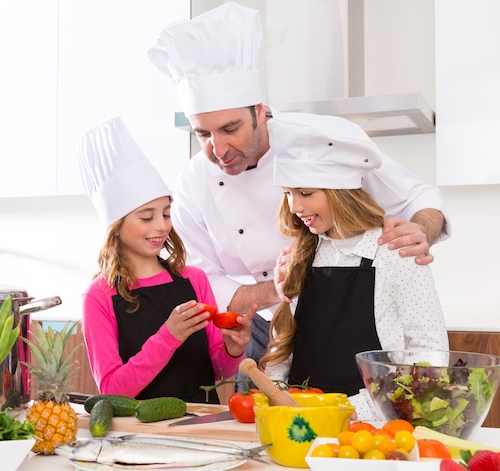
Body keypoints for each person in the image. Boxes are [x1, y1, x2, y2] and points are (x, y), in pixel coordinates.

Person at [147, 2, 450, 387]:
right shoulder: (193, 181)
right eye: (203, 135)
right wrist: (279, 288)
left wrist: (419, 230)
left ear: (260, 112)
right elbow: (200, 279)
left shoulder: (320, 141)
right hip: (259, 331)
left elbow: (420, 198)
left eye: (230, 128)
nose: (219, 149)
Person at [258, 113, 449, 401]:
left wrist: (351, 410)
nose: (295, 206)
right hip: (301, 424)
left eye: (306, 193)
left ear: (342, 192)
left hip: (375, 428)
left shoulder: (395, 251)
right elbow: (284, 353)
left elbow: (428, 356)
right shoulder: (300, 256)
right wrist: (276, 396)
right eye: (287, 193)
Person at [78, 117, 255, 403]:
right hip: (138, 435)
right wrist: (169, 335)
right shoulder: (99, 295)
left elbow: (219, 371)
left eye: (165, 213)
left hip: (201, 426)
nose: (161, 226)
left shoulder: (193, 279)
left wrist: (233, 349)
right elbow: (112, 391)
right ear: (116, 226)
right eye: (147, 217)